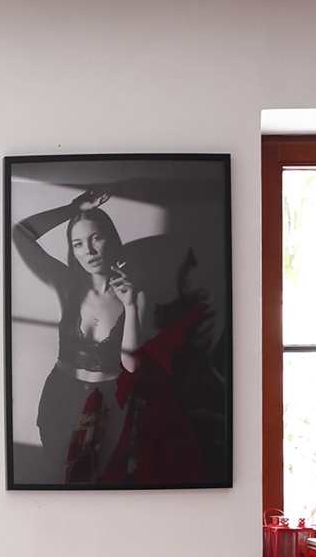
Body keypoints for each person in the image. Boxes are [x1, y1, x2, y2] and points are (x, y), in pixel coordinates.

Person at [11, 187, 214, 486]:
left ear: (111, 239)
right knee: (60, 478)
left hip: (107, 402)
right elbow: (20, 234)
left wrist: (130, 306)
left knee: (100, 482)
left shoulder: (134, 293)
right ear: (72, 250)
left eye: (96, 239)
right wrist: (74, 208)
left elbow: (131, 365)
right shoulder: (65, 284)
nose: (89, 251)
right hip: (60, 397)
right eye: (78, 244)